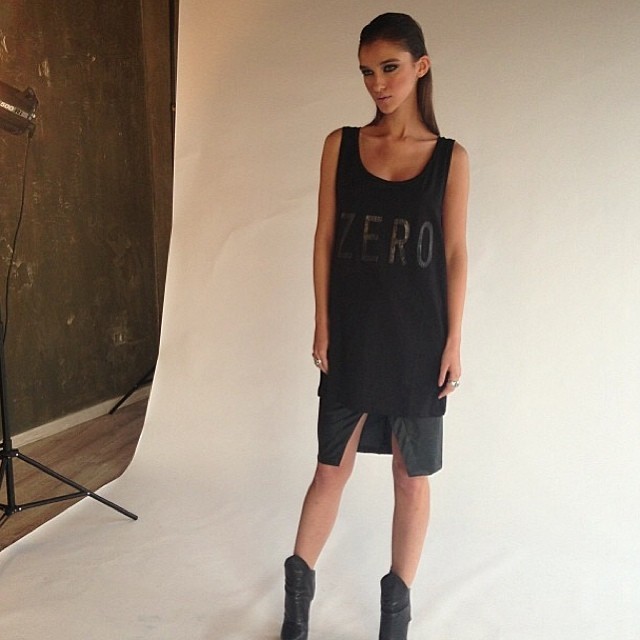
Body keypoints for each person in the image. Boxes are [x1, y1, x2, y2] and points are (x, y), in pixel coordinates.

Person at [280, 12, 469, 640]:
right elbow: (324, 236)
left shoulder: (450, 159)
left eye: (390, 68)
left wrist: (454, 339)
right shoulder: (341, 144)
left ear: (421, 66)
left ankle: (395, 620)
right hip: (355, 334)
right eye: (367, 72)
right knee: (329, 469)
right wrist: (322, 320)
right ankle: (296, 612)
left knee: (410, 478)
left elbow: (455, 253)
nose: (378, 84)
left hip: (420, 340)